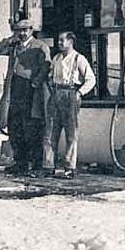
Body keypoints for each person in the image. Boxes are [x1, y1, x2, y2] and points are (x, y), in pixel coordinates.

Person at [0, 19, 51, 175]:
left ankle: (36, 165)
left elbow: (46, 66)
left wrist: (36, 82)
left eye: (25, 30)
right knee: (15, 127)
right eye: (19, 30)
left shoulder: (40, 46)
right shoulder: (14, 46)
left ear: (31, 30)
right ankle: (20, 162)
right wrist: (8, 40)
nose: (22, 33)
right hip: (15, 91)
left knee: (32, 129)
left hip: (31, 92)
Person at [38, 31, 95, 179]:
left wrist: (80, 92)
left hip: (71, 94)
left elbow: (91, 79)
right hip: (56, 94)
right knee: (50, 132)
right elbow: (50, 76)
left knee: (71, 133)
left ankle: (69, 168)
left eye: (62, 40)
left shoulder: (79, 58)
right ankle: (48, 166)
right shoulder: (56, 58)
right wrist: (51, 89)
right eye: (59, 40)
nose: (59, 43)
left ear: (70, 42)